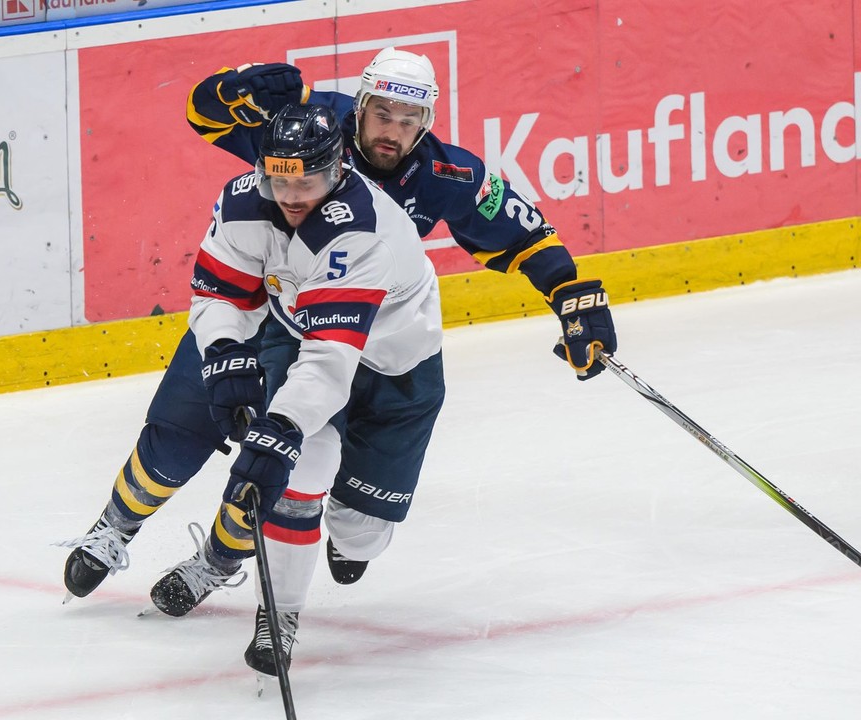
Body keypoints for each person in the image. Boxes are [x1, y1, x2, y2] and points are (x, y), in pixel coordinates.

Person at [59, 48, 616, 670]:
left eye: (409, 120)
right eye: (382, 112)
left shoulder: (446, 177)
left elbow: (523, 231)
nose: (392, 131)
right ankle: (139, 536)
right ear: (362, 104)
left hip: (377, 348)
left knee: (346, 519)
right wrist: (232, 90)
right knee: (204, 433)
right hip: (278, 316)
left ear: (427, 121)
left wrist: (573, 294)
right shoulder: (308, 127)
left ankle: (231, 555)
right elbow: (204, 116)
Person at [62, 102, 445, 675]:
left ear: (338, 170)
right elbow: (220, 292)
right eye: (278, 177)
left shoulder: (363, 234)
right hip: (297, 332)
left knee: (348, 526)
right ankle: (266, 603)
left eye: (307, 180)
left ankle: (265, 546)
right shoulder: (245, 198)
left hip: (390, 366)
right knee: (281, 464)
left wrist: (281, 427)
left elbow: (331, 362)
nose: (290, 194)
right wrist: (221, 350)